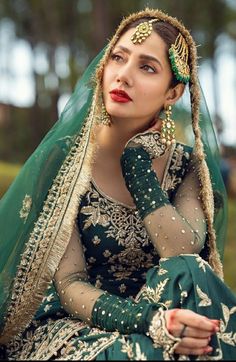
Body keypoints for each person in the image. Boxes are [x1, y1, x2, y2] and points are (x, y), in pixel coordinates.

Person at [0, 8, 235, 361]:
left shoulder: (185, 165)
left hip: (163, 307)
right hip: (77, 321)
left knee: (192, 278)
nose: (123, 76)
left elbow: (182, 253)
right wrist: (150, 321)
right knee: (150, 351)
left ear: (172, 93)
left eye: (147, 67)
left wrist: (137, 166)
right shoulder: (66, 161)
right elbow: (70, 284)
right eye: (118, 58)